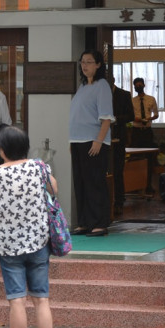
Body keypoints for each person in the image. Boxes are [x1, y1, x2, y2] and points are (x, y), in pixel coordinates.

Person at [0, 126, 68, 328]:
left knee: (17, 301)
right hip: (39, 243)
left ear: (1, 150)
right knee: (41, 299)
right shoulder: (39, 167)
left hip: (9, 246)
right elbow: (55, 190)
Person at [69, 50, 114, 237]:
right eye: (82, 62)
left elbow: (106, 119)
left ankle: (99, 223)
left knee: (95, 182)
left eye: (89, 62)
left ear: (98, 65)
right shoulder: (82, 86)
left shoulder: (102, 85)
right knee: (81, 183)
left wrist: (98, 140)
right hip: (78, 141)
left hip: (93, 141)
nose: (85, 65)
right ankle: (85, 222)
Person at [110, 78, 135, 216]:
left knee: (118, 171)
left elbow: (131, 115)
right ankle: (106, 202)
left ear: (113, 80)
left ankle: (119, 202)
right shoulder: (99, 93)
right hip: (101, 138)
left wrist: (116, 119)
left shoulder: (124, 94)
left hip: (119, 136)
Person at [130, 77, 159, 148]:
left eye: (140, 85)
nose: (138, 87)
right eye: (136, 86)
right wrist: (135, 119)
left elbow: (156, 114)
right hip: (136, 130)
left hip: (147, 130)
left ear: (144, 85)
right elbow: (130, 115)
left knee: (148, 151)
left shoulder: (151, 99)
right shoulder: (132, 100)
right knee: (136, 151)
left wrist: (149, 118)